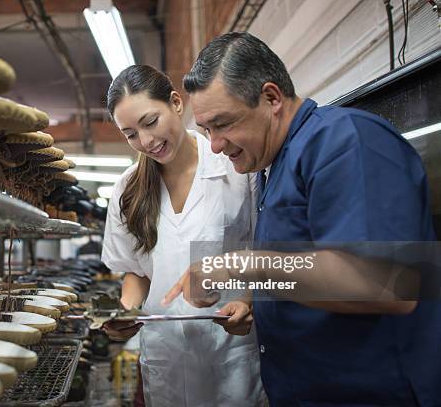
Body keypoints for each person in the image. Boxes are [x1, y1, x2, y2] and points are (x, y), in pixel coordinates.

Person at [163, 32, 441, 406]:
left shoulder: (344, 140)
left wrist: (240, 265)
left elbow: (390, 284)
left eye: (223, 124)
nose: (214, 144)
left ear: (271, 98)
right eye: (206, 130)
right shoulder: (272, 167)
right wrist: (251, 301)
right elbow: (302, 270)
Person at [101, 64, 266, 406]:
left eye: (150, 122)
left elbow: (263, 252)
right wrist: (125, 312)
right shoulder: (127, 189)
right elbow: (137, 271)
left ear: (176, 103)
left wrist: (248, 301)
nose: (145, 141)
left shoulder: (236, 168)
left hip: (229, 351)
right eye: (130, 134)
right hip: (166, 356)